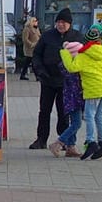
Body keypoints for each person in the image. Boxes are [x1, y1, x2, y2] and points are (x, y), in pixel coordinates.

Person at [60, 25, 102, 160]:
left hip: (92, 89)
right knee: (99, 116)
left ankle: (91, 141)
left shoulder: (83, 55)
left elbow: (71, 67)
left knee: (89, 116)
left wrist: (64, 53)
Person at [29, 9, 80, 149]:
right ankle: (41, 139)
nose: (60, 25)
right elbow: (37, 55)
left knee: (64, 112)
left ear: (69, 24)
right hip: (48, 80)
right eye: (58, 22)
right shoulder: (47, 36)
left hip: (67, 82)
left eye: (63, 22)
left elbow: (83, 57)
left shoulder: (77, 37)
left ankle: (63, 140)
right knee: (44, 111)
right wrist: (40, 71)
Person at [16, 15, 40, 80]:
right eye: (35, 21)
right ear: (31, 22)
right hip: (29, 49)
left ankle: (22, 75)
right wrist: (31, 44)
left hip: (36, 47)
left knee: (27, 63)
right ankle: (37, 76)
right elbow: (25, 39)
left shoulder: (36, 28)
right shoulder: (27, 29)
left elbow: (39, 36)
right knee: (33, 62)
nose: (36, 22)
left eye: (36, 21)